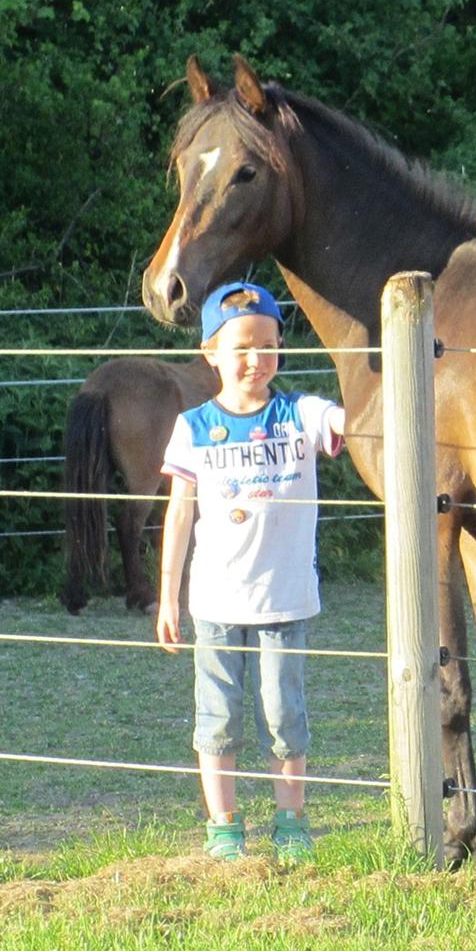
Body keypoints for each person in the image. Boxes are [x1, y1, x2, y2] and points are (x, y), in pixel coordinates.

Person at [155, 281, 345, 863]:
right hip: (213, 604)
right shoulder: (192, 427)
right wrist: (167, 596)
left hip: (284, 604)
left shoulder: (302, 415)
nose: (255, 359)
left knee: (285, 718)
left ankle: (291, 823)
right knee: (217, 718)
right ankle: (224, 828)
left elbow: (355, 416)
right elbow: (180, 514)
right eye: (240, 347)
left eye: (268, 345)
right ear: (210, 352)